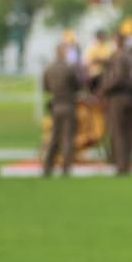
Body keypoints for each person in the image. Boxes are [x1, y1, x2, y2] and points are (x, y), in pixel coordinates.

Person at [101, 33, 132, 174]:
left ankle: (121, 165)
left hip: (118, 97)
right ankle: (127, 163)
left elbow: (118, 77)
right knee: (128, 132)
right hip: (131, 97)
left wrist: (104, 88)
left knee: (118, 132)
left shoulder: (119, 57)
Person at [42, 38, 84, 176]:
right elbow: (78, 85)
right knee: (67, 138)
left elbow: (45, 87)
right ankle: (66, 168)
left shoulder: (49, 68)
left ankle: (48, 167)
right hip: (68, 104)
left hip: (55, 105)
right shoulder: (69, 68)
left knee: (54, 137)